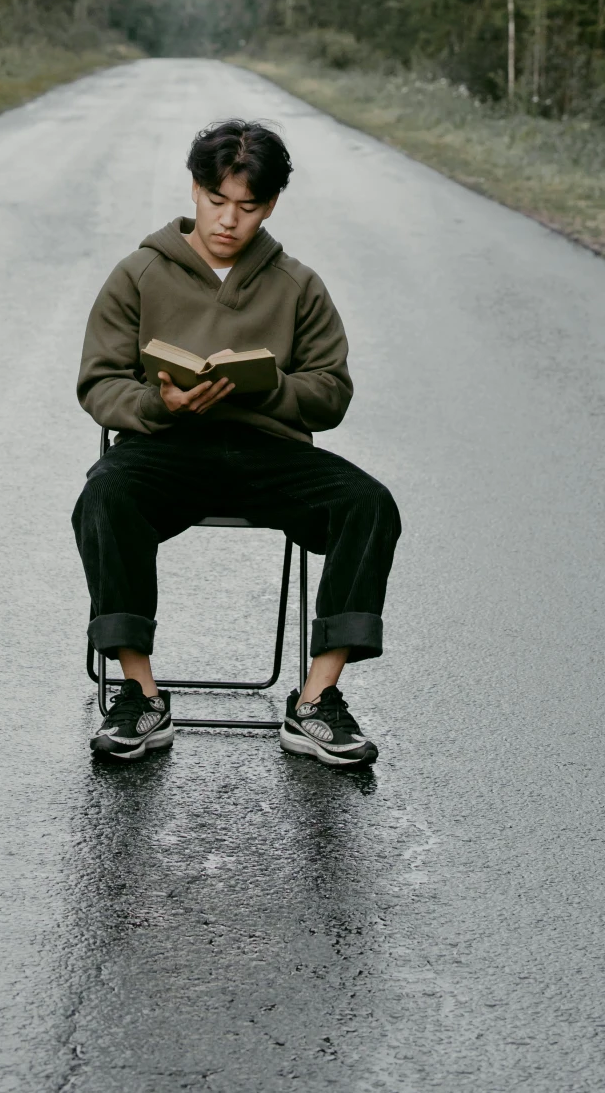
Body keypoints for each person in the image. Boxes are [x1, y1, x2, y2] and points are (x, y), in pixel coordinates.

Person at [72, 116, 400, 767]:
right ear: (194, 190)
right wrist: (154, 403)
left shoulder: (298, 285)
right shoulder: (138, 273)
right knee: (103, 495)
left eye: (247, 207)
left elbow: (331, 391)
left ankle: (315, 699)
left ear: (270, 205)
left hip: (267, 452)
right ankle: (139, 695)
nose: (228, 220)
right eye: (216, 201)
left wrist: (271, 388)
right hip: (163, 447)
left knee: (370, 504)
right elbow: (97, 383)